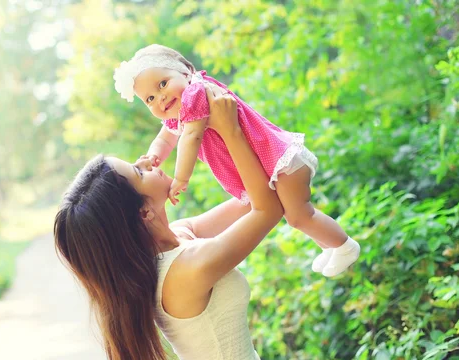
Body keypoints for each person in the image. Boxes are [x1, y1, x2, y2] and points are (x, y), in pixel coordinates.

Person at [54, 84, 278, 360]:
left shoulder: (179, 239)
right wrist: (231, 132)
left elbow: (247, 199)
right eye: (138, 170)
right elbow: (268, 209)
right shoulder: (187, 270)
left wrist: (206, 127)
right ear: (143, 211)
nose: (147, 161)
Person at [114, 44, 360, 277]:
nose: (160, 98)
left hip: (278, 162)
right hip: (268, 165)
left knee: (298, 215)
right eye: (150, 99)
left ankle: (344, 246)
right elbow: (166, 138)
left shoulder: (195, 94)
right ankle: (329, 246)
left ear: (186, 72)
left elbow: (191, 136)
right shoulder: (179, 110)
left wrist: (181, 178)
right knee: (293, 215)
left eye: (163, 84)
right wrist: (153, 155)